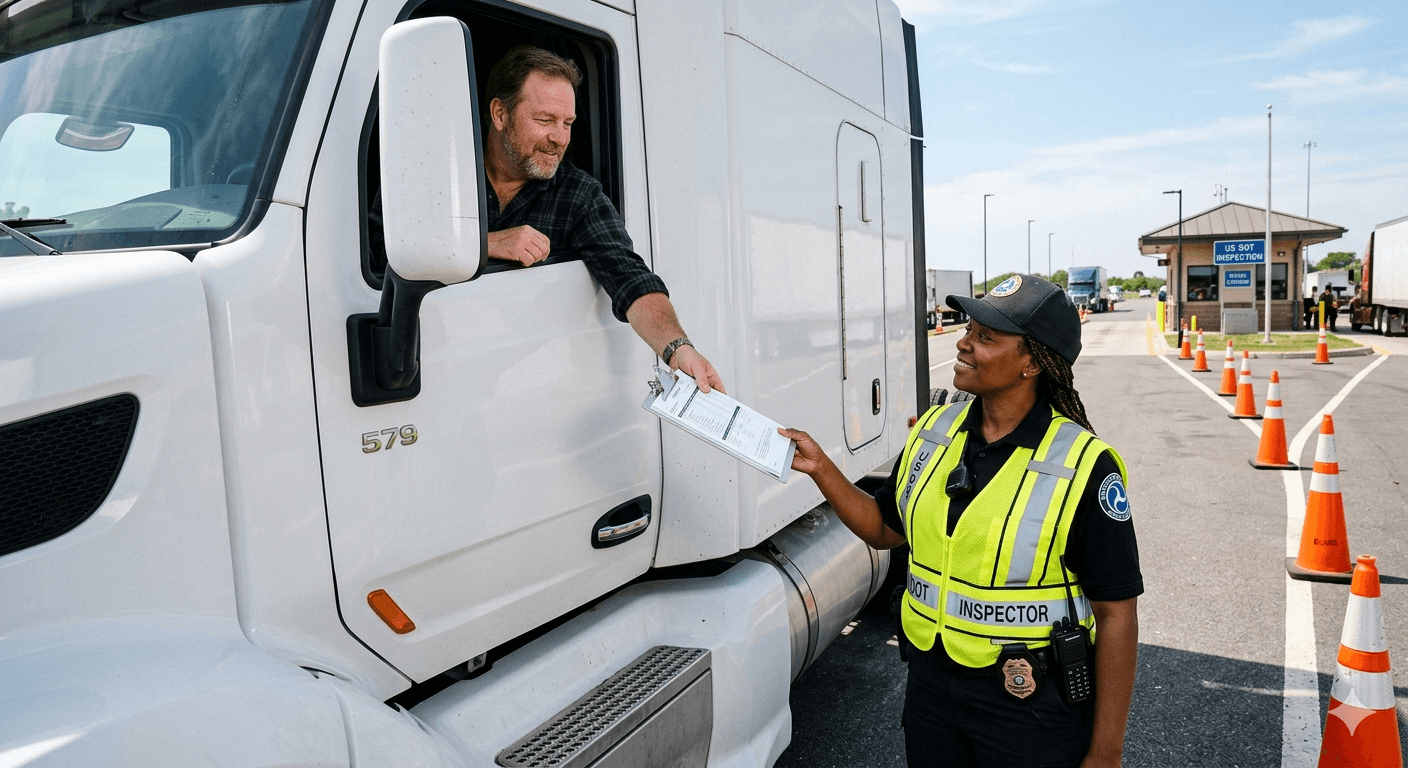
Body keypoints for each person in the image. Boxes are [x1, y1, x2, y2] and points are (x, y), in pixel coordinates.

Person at [779, 274, 1141, 768]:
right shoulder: (934, 431)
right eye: (968, 328)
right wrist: (821, 467)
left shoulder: (1083, 465)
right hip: (933, 693)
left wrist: (1106, 752)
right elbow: (886, 529)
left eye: (986, 336)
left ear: (1033, 362)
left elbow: (1117, 615)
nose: (963, 343)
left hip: (1029, 707)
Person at [371, 46, 724, 393]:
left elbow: (629, 277)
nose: (560, 139)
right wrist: (485, 243)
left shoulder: (578, 195)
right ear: (499, 114)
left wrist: (678, 348)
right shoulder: (433, 173)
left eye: (568, 123)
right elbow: (376, 246)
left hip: (521, 390)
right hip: (425, 368)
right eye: (545, 120)